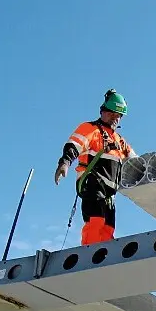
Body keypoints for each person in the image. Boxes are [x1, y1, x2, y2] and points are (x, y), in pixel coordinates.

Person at [54, 89, 136, 245]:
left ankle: (103, 259)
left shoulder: (119, 141)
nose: (115, 118)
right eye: (112, 113)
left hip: (110, 193)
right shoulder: (91, 129)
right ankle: (89, 254)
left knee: (108, 228)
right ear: (103, 111)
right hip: (93, 183)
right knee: (95, 221)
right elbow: (74, 145)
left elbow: (136, 161)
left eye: (118, 116)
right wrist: (64, 163)